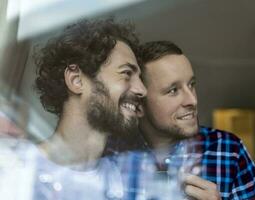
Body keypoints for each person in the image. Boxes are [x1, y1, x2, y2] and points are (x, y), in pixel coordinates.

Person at [0, 18, 147, 200]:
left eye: (139, 78)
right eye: (126, 73)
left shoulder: (124, 183)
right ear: (76, 81)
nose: (142, 89)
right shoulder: (18, 175)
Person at [135, 40, 255, 199]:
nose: (192, 100)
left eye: (191, 84)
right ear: (139, 104)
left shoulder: (228, 150)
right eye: (173, 90)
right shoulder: (110, 158)